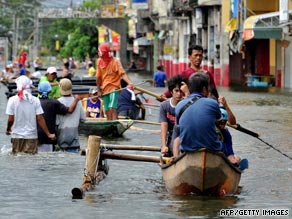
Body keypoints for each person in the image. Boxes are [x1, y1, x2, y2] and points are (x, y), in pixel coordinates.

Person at [172, 72, 222, 156]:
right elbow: (218, 120)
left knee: (177, 138)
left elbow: (179, 127)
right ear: (204, 89)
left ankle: (175, 157)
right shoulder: (213, 103)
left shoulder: (179, 105)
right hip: (212, 148)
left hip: (187, 149)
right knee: (224, 141)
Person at [5, 75, 56, 154]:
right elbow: (40, 118)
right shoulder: (35, 100)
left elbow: (11, 119)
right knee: (30, 160)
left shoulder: (12, 100)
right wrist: (48, 134)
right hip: (31, 137)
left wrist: (8, 129)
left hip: (16, 136)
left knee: (17, 159)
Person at [37, 81, 80, 152]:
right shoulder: (54, 103)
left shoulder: (35, 102)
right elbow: (69, 110)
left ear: (38, 91)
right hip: (49, 138)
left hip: (35, 137)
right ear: (50, 91)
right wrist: (76, 100)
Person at [95, 42, 133, 120]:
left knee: (112, 107)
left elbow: (122, 74)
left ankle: (114, 123)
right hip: (105, 89)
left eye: (100, 51)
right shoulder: (99, 62)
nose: (98, 53)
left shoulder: (115, 61)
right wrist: (99, 90)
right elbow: (98, 78)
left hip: (114, 87)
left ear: (104, 53)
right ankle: (109, 123)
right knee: (106, 109)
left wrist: (130, 83)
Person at [159, 75, 187, 157]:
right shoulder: (164, 106)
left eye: (181, 91)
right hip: (171, 136)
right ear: (171, 92)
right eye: (176, 91)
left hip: (184, 135)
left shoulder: (187, 104)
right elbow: (164, 126)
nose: (179, 94)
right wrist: (164, 146)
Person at [56, 78, 86, 152]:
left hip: (61, 139)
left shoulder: (57, 102)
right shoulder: (78, 102)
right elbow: (83, 118)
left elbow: (56, 122)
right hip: (74, 139)